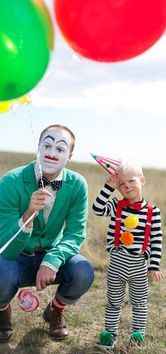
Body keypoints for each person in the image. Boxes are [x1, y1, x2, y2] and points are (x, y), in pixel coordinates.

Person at [0, 124, 94, 342]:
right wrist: (28, 215)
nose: (52, 153)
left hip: (51, 253)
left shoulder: (77, 185)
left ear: (69, 156)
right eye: (47, 146)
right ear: (38, 147)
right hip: (16, 257)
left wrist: (52, 260)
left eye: (60, 149)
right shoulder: (10, 181)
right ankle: (2, 309)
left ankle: (55, 310)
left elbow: (75, 234)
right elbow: (5, 244)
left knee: (83, 271)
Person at [92, 159, 164, 349]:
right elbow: (97, 209)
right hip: (117, 262)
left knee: (139, 302)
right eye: (122, 184)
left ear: (142, 180)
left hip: (139, 265)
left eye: (131, 181)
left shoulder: (152, 211)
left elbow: (156, 240)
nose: (126, 186)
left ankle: (137, 335)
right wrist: (108, 188)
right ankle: (109, 334)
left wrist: (154, 265)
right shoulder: (116, 205)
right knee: (113, 301)